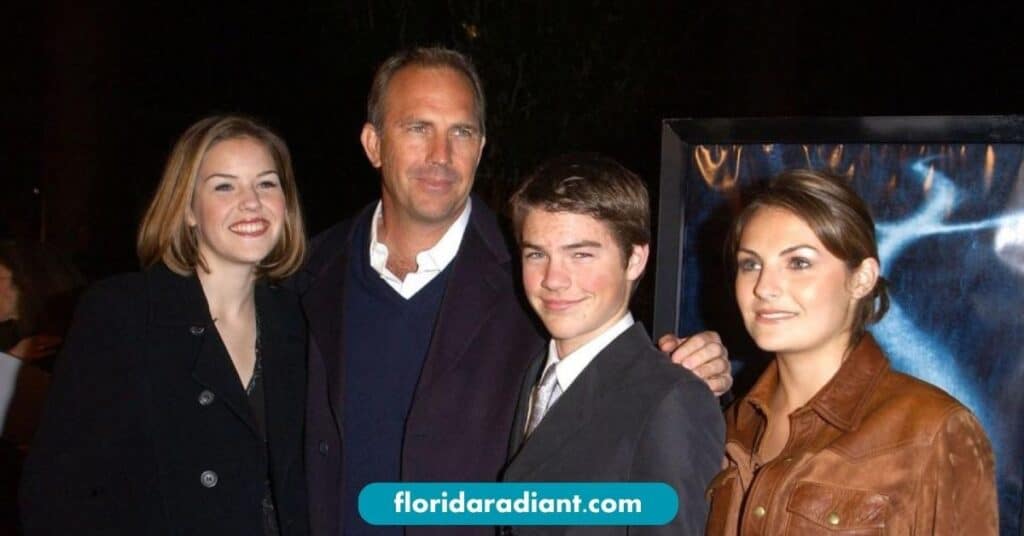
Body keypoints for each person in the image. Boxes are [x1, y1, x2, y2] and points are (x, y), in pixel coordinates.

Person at [297, 46, 732, 536]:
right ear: (374, 144)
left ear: (481, 147)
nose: (440, 155)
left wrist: (687, 367)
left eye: (460, 131)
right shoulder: (307, 271)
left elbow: (611, 374)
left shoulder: (524, 275)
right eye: (418, 128)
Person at [19, 115, 311, 535]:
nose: (252, 202)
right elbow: (56, 490)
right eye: (224, 186)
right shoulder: (123, 313)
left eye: (266, 183)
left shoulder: (298, 322)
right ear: (189, 210)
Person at [704, 169, 998, 534]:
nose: (764, 286)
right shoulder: (731, 426)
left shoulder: (933, 430)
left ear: (861, 278)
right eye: (751, 264)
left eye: (799, 263)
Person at [501, 154, 725, 535]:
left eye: (581, 254)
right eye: (536, 254)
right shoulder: (535, 374)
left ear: (635, 259)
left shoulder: (670, 400)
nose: (553, 279)